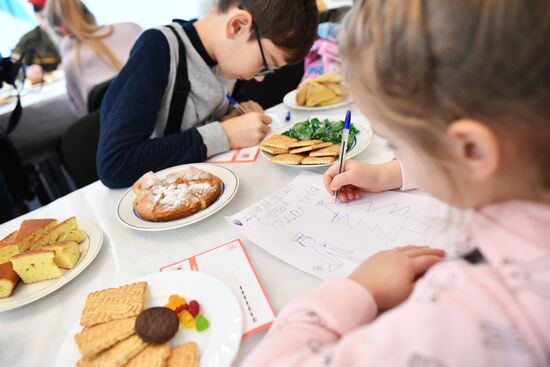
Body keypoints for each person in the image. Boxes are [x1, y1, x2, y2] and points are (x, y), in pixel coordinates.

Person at [243, 0, 550, 366]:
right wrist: (391, 173)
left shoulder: (471, 312)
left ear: (471, 149)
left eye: (396, 143)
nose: (395, 152)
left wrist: (358, 289)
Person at [97, 0, 319, 188]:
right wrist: (224, 134)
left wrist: (238, 113)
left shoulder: (227, 57)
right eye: (264, 64)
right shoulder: (159, 49)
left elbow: (217, 108)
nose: (260, 78)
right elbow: (115, 164)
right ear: (238, 25)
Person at [46, 0, 142, 117]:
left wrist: (66, 49)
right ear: (88, 12)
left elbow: (82, 114)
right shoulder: (132, 29)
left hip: (118, 128)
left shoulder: (72, 62)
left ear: (61, 30)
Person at [11, 0, 61, 83]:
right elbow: (12, 68)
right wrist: (27, 72)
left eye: (52, 16)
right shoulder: (28, 39)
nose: (49, 21)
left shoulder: (67, 32)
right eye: (44, 17)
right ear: (36, 16)